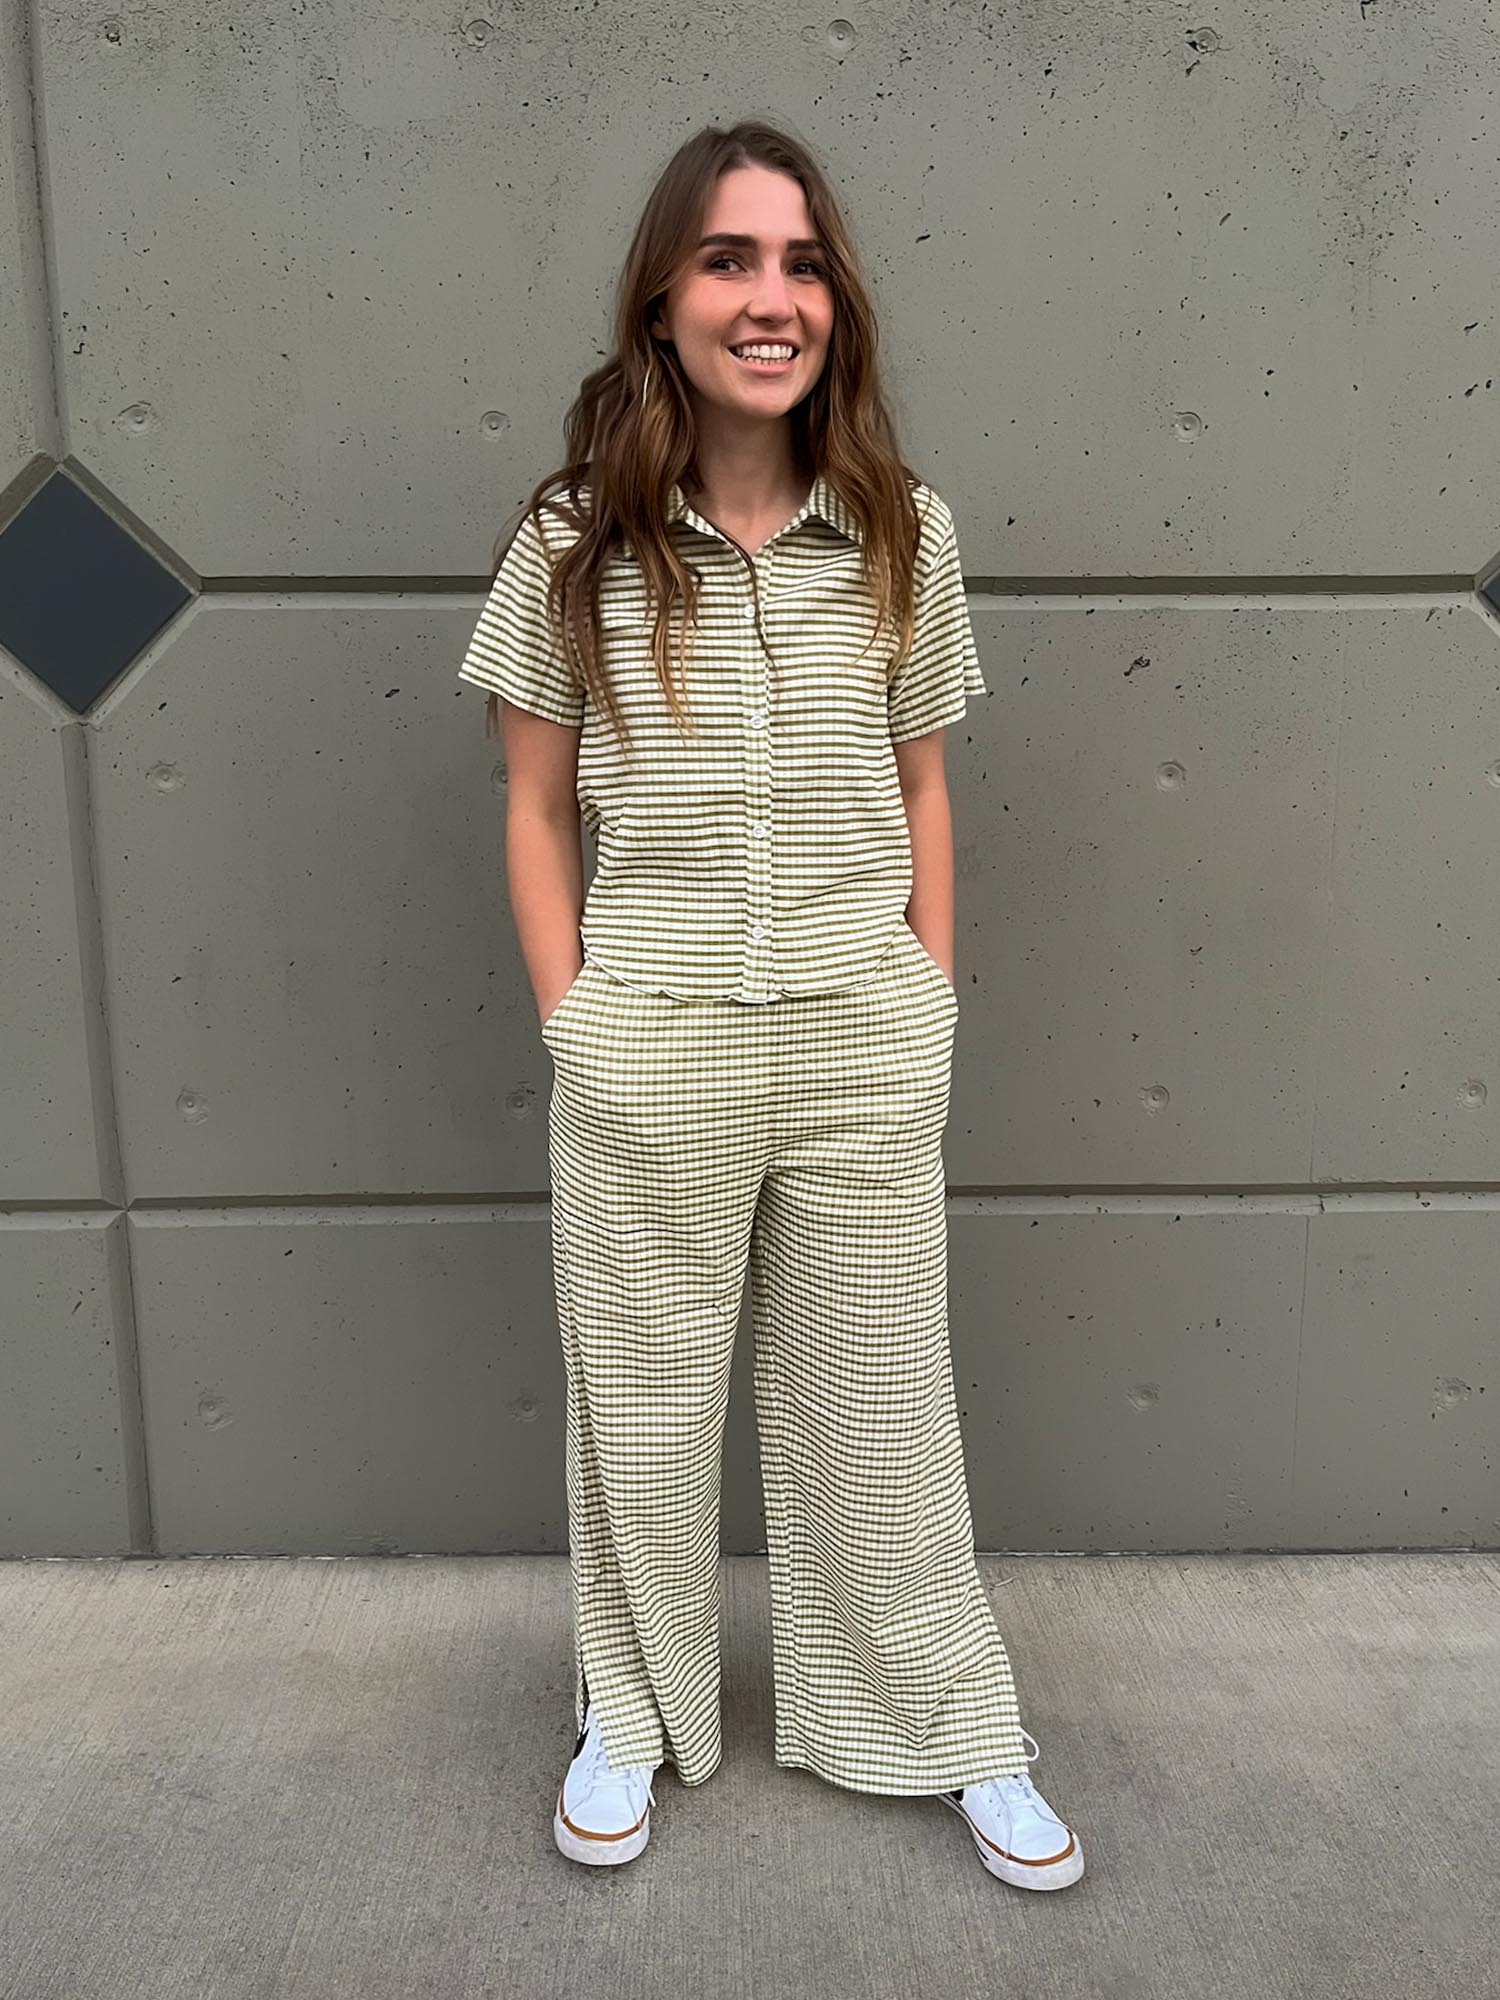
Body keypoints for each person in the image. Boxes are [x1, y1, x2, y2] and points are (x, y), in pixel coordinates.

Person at [456, 119, 1083, 1891]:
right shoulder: (576, 541)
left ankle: (951, 1727)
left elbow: (928, 787)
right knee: (640, 1405)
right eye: (731, 260)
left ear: (838, 306)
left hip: (859, 1033)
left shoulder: (904, 534)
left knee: (883, 1401)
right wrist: (578, 1017)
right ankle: (629, 1716)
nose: (771, 298)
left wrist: (928, 1001)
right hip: (647, 1038)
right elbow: (528, 802)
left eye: (802, 265)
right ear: (663, 300)